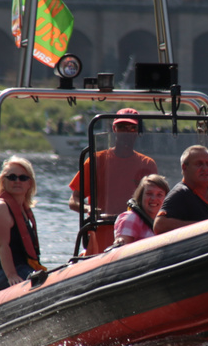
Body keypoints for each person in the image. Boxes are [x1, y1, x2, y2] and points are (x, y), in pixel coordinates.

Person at [68, 107, 158, 252]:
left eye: (131, 128)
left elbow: (156, 202)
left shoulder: (147, 164)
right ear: (114, 129)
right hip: (101, 233)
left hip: (135, 236)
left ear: (138, 132)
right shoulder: (96, 160)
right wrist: (89, 209)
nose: (126, 132)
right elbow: (74, 201)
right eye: (122, 127)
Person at [154, 145, 208, 234]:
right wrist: (202, 226)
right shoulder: (180, 194)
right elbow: (159, 225)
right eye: (199, 164)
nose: (205, 169)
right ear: (184, 167)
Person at [0, 156, 42, 290]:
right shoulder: (1, 208)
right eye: (12, 177)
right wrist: (11, 275)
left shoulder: (23, 209)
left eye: (23, 178)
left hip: (26, 268)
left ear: (30, 183)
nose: (17, 181)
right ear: (3, 182)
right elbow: (2, 246)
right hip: (6, 273)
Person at [112, 174, 170, 247]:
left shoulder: (167, 221)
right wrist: (120, 240)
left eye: (159, 195)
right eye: (149, 194)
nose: (154, 198)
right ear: (141, 196)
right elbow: (121, 250)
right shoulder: (131, 218)